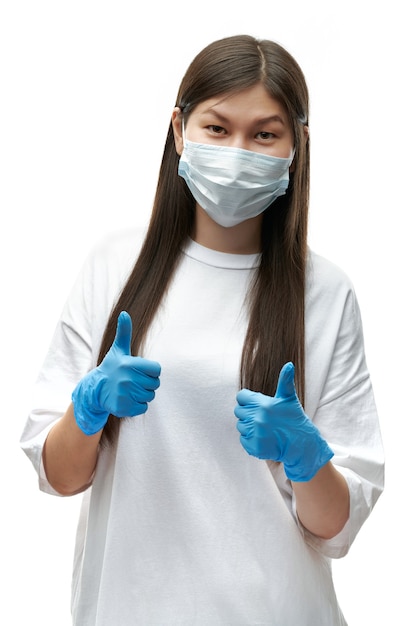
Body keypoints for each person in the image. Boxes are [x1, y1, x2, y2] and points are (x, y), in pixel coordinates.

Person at [20, 34, 384, 625]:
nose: (239, 149)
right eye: (217, 128)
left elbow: (335, 527)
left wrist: (307, 458)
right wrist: (86, 411)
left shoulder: (325, 293)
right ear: (178, 129)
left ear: (298, 145)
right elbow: (59, 477)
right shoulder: (116, 267)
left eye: (264, 134)